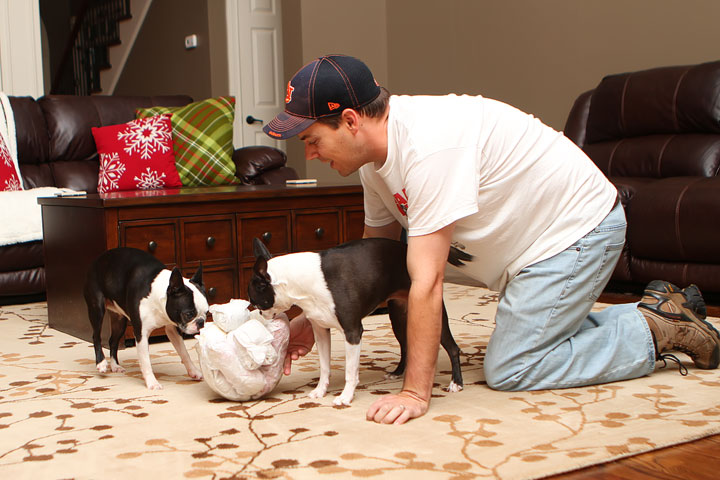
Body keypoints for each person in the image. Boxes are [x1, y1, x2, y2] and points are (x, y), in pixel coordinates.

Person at [263, 54, 720, 425]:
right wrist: (316, 315)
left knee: (513, 366)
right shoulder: (373, 164)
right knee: (525, 332)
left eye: (311, 138)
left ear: (349, 121)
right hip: (524, 250)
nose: (309, 154)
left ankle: (657, 328)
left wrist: (415, 392)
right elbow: (371, 261)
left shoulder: (429, 147)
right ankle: (647, 310)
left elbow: (427, 280)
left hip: (576, 231)